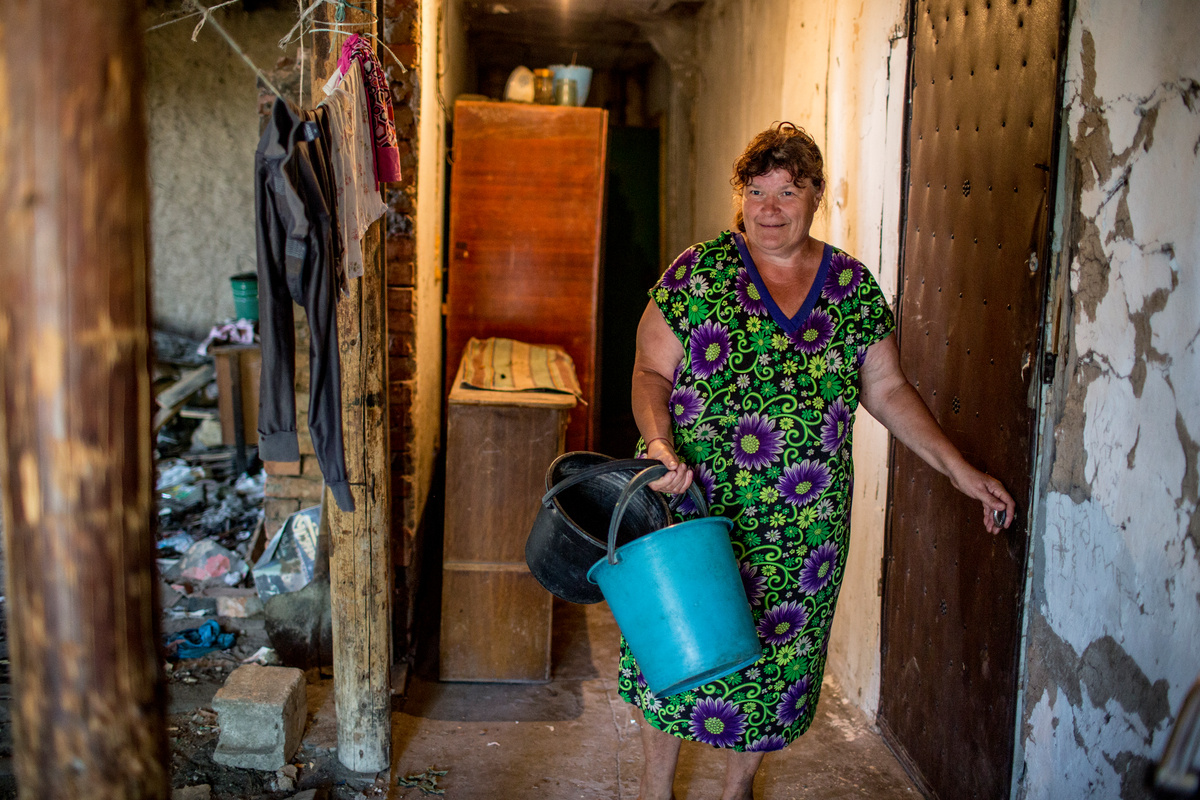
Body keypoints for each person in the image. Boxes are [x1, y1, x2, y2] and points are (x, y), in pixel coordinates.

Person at [625, 122, 1016, 800]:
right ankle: (656, 789)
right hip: (692, 501)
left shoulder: (851, 288)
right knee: (674, 640)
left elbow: (887, 389)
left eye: (788, 191)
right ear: (740, 197)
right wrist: (659, 445)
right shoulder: (697, 272)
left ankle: (737, 790)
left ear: (815, 197)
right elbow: (649, 372)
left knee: (775, 659)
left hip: (803, 524)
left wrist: (960, 470)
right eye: (756, 191)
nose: (769, 208)